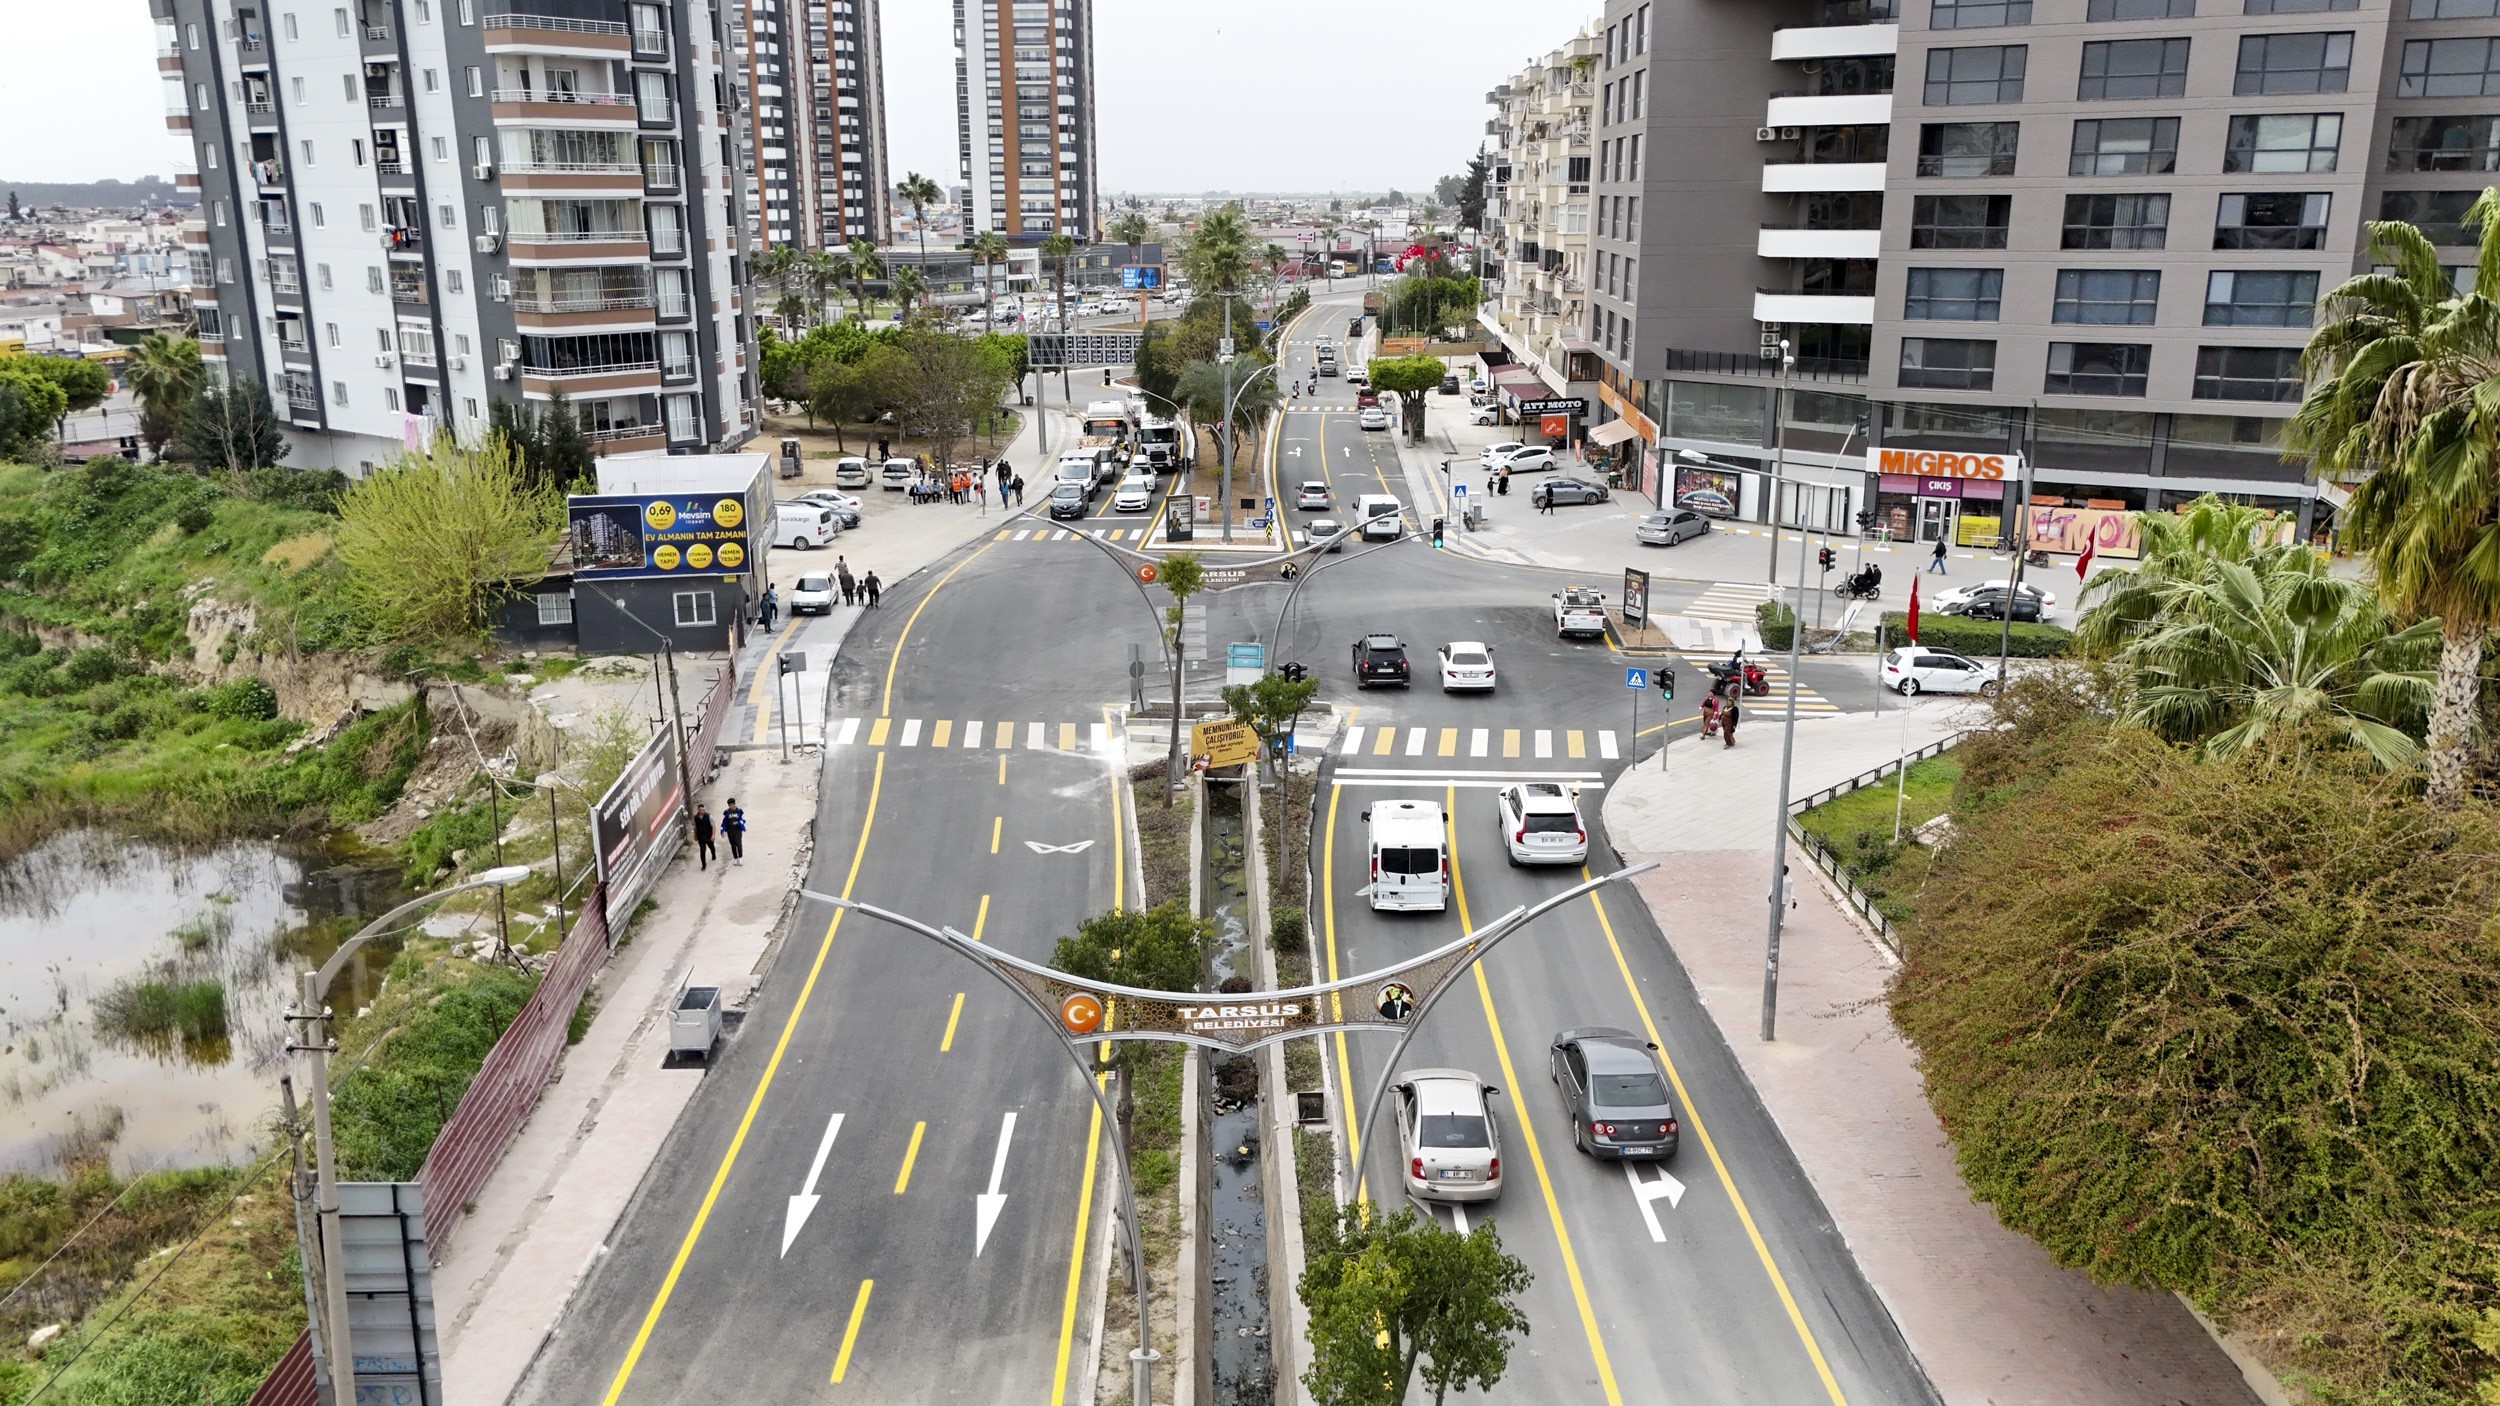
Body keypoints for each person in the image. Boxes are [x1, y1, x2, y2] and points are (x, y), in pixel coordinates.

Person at [721, 798, 747, 865]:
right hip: (730, 831)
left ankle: (740, 858)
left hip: (738, 830)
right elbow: (724, 822)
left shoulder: (739, 811)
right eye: (729, 805)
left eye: (731, 805)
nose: (730, 806)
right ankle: (735, 858)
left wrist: (738, 823)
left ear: (734, 804)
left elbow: (744, 820)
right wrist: (722, 830)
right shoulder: (726, 812)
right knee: (733, 845)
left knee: (738, 844)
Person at [691, 803, 717, 870]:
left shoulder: (709, 816)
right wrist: (695, 835)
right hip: (701, 837)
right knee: (702, 850)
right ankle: (704, 865)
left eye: (704, 809)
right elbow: (695, 827)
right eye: (701, 810)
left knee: (711, 847)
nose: (703, 811)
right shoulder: (695, 818)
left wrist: (713, 835)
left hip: (708, 836)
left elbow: (713, 826)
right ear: (698, 810)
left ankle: (713, 855)